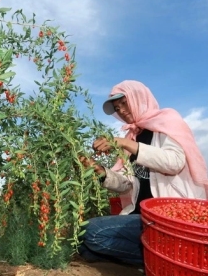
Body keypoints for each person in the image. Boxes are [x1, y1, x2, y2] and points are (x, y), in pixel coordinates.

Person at [78, 80, 208, 265]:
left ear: (139, 98)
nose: (121, 110)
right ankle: (158, 256)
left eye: (124, 103)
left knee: (93, 232)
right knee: (85, 245)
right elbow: (126, 185)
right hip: (141, 216)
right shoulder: (133, 136)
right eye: (117, 107)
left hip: (168, 217)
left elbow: (174, 162)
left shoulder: (167, 122)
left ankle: (164, 259)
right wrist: (99, 170)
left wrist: (126, 144)